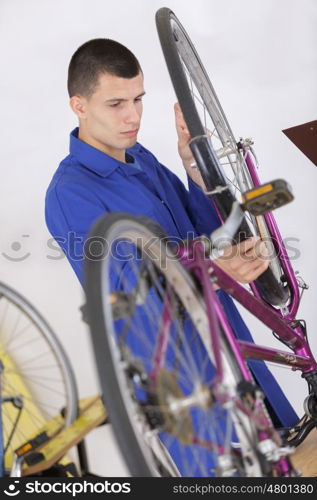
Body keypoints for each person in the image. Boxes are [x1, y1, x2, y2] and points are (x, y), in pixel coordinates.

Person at [45, 38, 298, 435]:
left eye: (138, 100)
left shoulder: (140, 158)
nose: (133, 117)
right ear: (79, 105)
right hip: (183, 374)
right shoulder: (69, 194)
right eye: (116, 104)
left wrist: (196, 171)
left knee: (292, 455)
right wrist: (209, 267)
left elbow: (203, 234)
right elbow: (123, 290)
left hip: (231, 343)